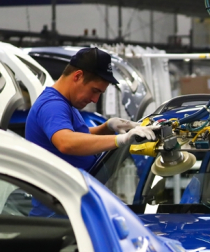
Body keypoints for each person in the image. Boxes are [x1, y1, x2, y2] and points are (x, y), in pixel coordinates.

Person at [26, 47, 156, 172]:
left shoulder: (65, 103)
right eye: (94, 91)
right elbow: (66, 142)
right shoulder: (52, 105)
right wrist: (121, 139)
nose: (95, 99)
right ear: (77, 76)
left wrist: (107, 127)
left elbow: (76, 134)